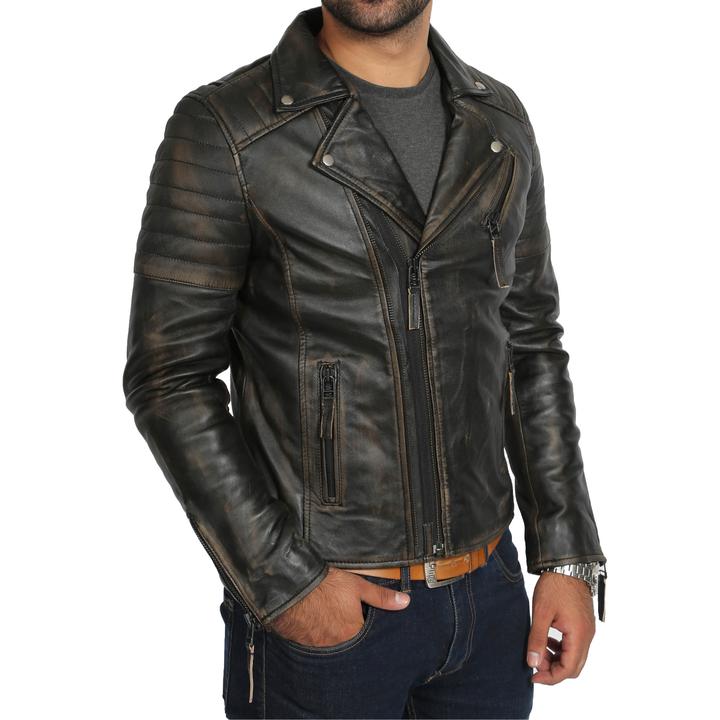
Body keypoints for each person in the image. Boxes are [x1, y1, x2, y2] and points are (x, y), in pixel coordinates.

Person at [122, 2, 607, 717]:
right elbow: (168, 378)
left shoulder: (498, 122)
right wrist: (285, 583)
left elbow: (529, 341)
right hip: (326, 616)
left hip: (490, 604)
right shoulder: (226, 128)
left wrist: (566, 553)